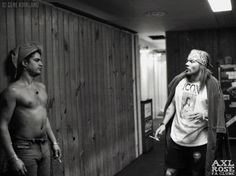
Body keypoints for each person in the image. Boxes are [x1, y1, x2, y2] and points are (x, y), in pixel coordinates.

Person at [155, 49, 230, 176]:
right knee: (170, 172)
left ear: (201, 65)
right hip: (176, 139)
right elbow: (173, 104)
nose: (187, 64)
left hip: (200, 141)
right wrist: (163, 123)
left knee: (196, 172)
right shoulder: (180, 81)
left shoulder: (211, 85)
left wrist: (204, 115)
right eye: (187, 61)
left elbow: (218, 111)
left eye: (191, 61)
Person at [0, 42, 62, 176]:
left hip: (44, 145)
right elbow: (2, 125)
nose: (41, 64)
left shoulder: (42, 87)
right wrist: (13, 158)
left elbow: (44, 118)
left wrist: (54, 142)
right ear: (25, 63)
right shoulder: (13, 91)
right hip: (25, 148)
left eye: (41, 60)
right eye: (36, 60)